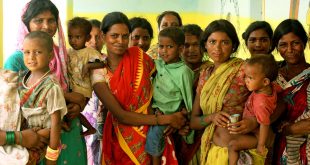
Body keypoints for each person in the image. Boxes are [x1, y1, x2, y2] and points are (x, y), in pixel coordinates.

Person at [90, 11, 187, 164]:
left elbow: (166, 85)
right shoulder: (98, 72)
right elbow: (121, 115)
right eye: (114, 36)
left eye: (125, 35)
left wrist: (177, 113)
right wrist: (166, 119)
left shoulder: (139, 56)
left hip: (154, 134)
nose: (120, 41)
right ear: (103, 36)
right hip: (121, 138)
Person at [4, 0, 88, 164]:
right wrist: (67, 98)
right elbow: (9, 107)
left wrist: (77, 107)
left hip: (69, 132)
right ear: (27, 24)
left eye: (51, 20)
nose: (46, 26)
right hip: (36, 139)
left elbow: (77, 91)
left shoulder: (60, 54)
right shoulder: (17, 60)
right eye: (38, 20)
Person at [189, 19, 250, 164]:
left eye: (225, 42)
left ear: (233, 46)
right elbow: (193, 121)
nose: (218, 48)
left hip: (237, 153)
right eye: (212, 42)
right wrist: (211, 117)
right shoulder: (205, 74)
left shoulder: (244, 69)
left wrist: (252, 123)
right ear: (205, 44)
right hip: (210, 151)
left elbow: (271, 98)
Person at [145, 27, 194, 165]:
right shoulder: (157, 64)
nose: (164, 51)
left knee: (154, 135)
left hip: (171, 114)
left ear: (180, 49)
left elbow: (188, 98)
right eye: (161, 46)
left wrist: (186, 119)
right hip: (156, 111)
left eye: (169, 46)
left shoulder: (183, 71)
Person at [19, 31, 67, 164]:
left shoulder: (51, 86)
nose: (31, 57)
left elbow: (56, 122)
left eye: (38, 52)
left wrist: (52, 156)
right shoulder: (23, 78)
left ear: (50, 55)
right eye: (27, 52)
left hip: (45, 138)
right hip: (27, 135)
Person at [228, 54, 279, 165]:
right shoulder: (270, 88)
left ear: (265, 82)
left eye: (250, 78)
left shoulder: (260, 103)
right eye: (245, 76)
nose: (246, 80)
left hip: (257, 136)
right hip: (254, 132)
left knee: (232, 145)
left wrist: (260, 145)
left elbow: (264, 124)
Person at [272, 19, 310, 165]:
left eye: (295, 43)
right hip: (277, 150)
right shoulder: (272, 77)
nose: (289, 49)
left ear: (304, 43)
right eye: (283, 45)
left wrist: (291, 129)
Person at [66, 16, 105, 136]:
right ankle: (89, 128)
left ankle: (74, 126)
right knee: (71, 110)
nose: (73, 41)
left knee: (73, 109)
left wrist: (88, 66)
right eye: (70, 37)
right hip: (72, 87)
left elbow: (102, 63)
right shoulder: (69, 51)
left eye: (77, 37)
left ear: (87, 38)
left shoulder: (90, 52)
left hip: (84, 89)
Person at [83, 18, 106, 165]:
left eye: (98, 36)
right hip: (86, 115)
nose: (94, 41)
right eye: (90, 37)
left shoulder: (107, 60)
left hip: (105, 113)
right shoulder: (77, 60)